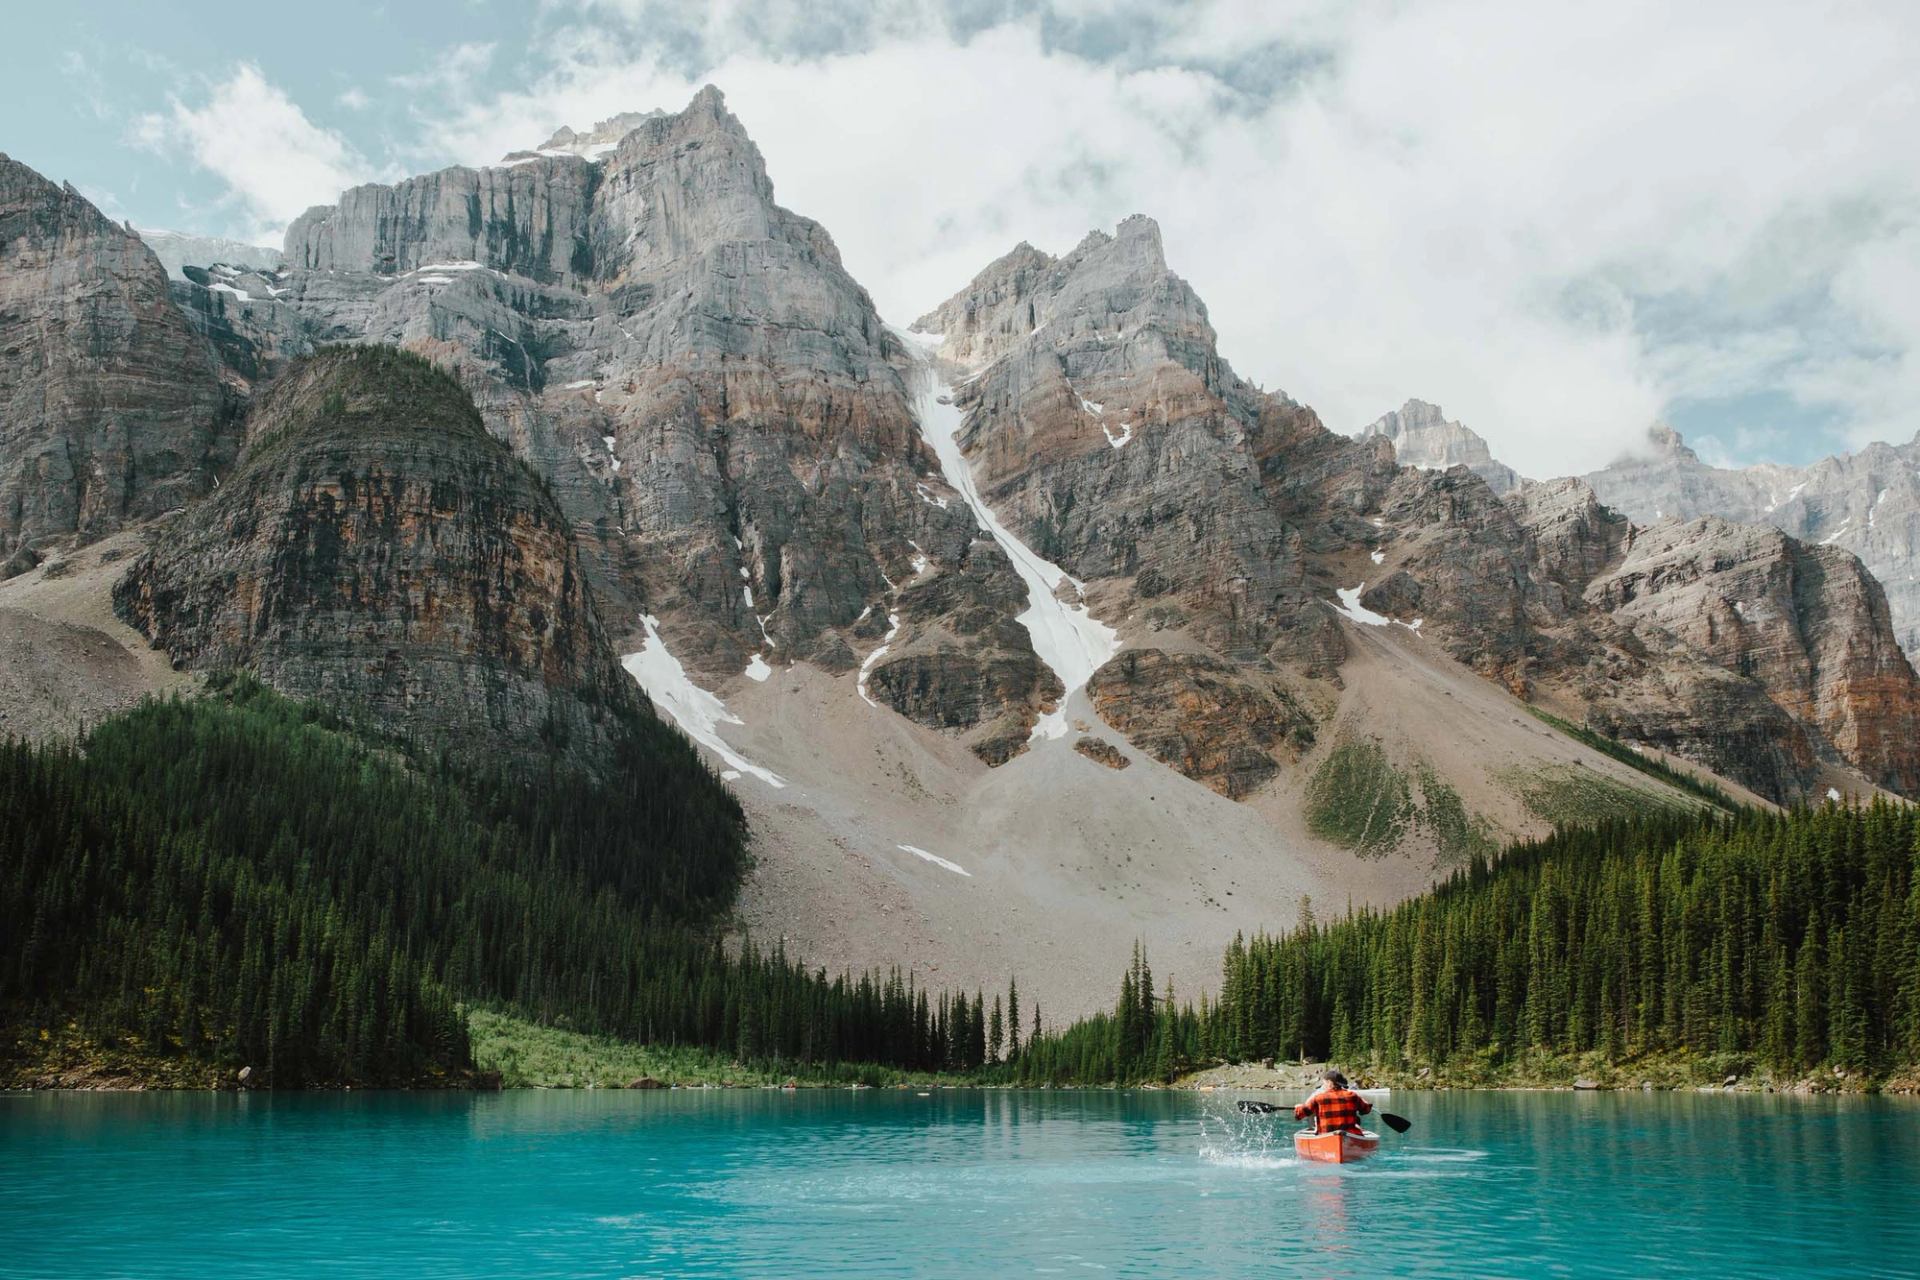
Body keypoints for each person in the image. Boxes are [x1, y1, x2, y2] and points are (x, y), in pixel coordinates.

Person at [1293, 1069, 1373, 1134]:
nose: (1323, 1086)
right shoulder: (1352, 1095)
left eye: (1324, 1083)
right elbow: (1366, 1110)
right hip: (1349, 1134)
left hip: (1326, 1135)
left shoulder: (1318, 1098)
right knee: (1357, 1122)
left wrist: (1298, 1107)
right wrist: (1365, 1103)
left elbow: (1299, 1115)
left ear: (1329, 1082)